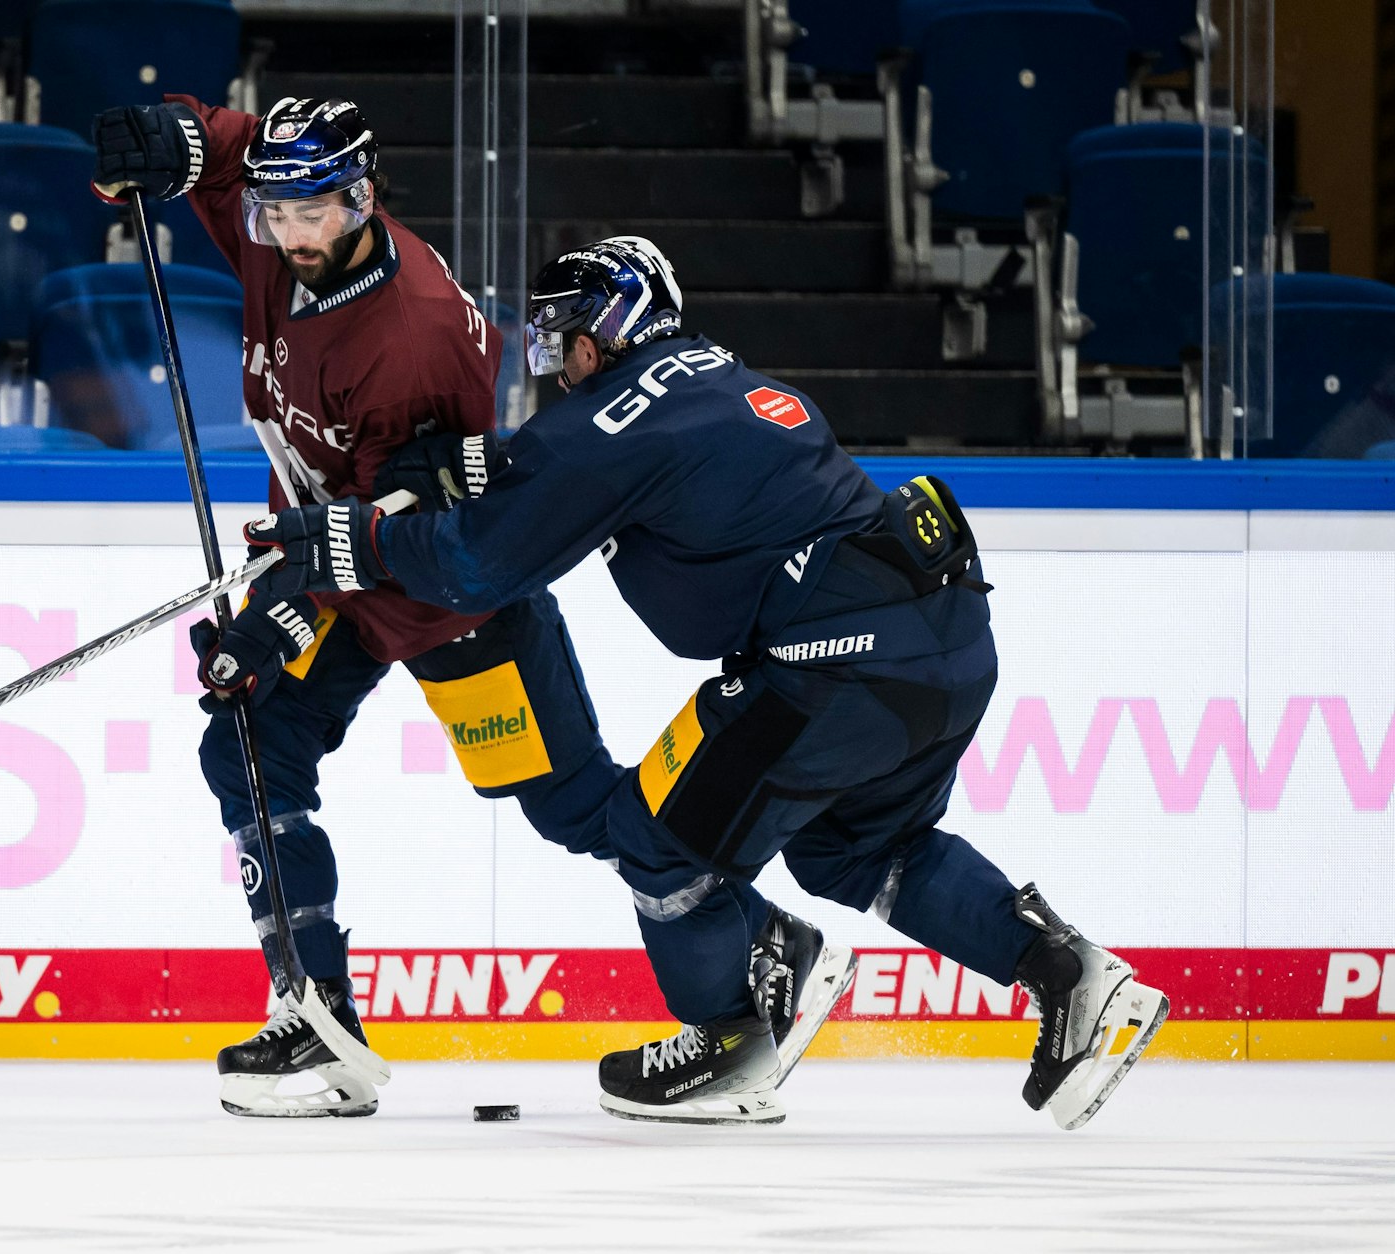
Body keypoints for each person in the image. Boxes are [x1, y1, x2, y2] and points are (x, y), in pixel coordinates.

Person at [240, 236, 1171, 1129]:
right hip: (943, 642)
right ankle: (1070, 973)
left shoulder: (604, 426)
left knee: (658, 837)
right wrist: (478, 462)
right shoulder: (717, 376)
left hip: (837, 664)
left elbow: (479, 570)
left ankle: (732, 1040)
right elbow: (602, 459)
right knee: (854, 849)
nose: (558, 365)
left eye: (562, 341)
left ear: (600, 333)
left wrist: (350, 542)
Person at [92, 99, 857, 1121]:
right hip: (344, 578)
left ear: (362, 197)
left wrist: (276, 611)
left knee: (575, 809)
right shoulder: (284, 228)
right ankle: (314, 1016)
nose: (287, 238)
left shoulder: (406, 340)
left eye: (310, 214)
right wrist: (174, 140)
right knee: (246, 742)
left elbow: (396, 535)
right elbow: (232, 155)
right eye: (274, 217)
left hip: (446, 600)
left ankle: (766, 943)